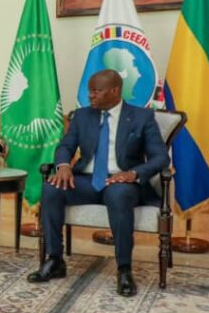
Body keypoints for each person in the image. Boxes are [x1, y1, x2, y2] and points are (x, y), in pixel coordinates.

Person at [27, 70, 169, 297]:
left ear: (115, 91)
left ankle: (124, 270)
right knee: (51, 189)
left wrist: (133, 173)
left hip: (121, 182)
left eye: (97, 91)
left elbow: (160, 158)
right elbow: (65, 146)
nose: (91, 95)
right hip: (86, 180)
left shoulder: (141, 117)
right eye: (90, 91)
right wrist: (63, 166)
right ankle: (55, 260)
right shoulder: (82, 116)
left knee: (118, 195)